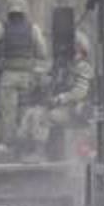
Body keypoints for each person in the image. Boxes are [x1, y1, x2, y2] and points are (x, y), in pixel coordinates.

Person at [17, 31, 93, 161]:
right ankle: (24, 149)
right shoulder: (63, 66)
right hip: (59, 107)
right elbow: (50, 82)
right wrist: (42, 81)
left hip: (74, 111)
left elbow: (80, 92)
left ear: (79, 48)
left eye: (71, 46)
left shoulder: (83, 67)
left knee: (43, 116)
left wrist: (60, 98)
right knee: (30, 113)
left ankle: (39, 153)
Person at [0, 0, 49, 147]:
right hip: (28, 77)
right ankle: (27, 144)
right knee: (26, 111)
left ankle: (9, 145)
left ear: (8, 10)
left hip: (8, 76)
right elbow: (43, 53)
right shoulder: (33, 28)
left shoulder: (1, 27)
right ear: (25, 10)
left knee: (8, 113)